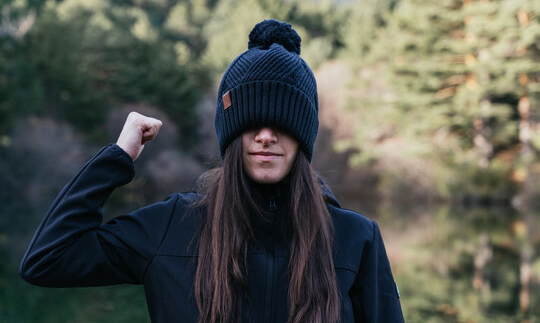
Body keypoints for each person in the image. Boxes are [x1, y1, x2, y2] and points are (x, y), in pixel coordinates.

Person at [19, 19, 404, 323]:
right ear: (230, 136)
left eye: (283, 123)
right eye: (252, 123)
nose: (266, 136)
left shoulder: (356, 238)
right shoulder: (172, 226)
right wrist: (118, 157)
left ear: (304, 136)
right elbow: (47, 259)